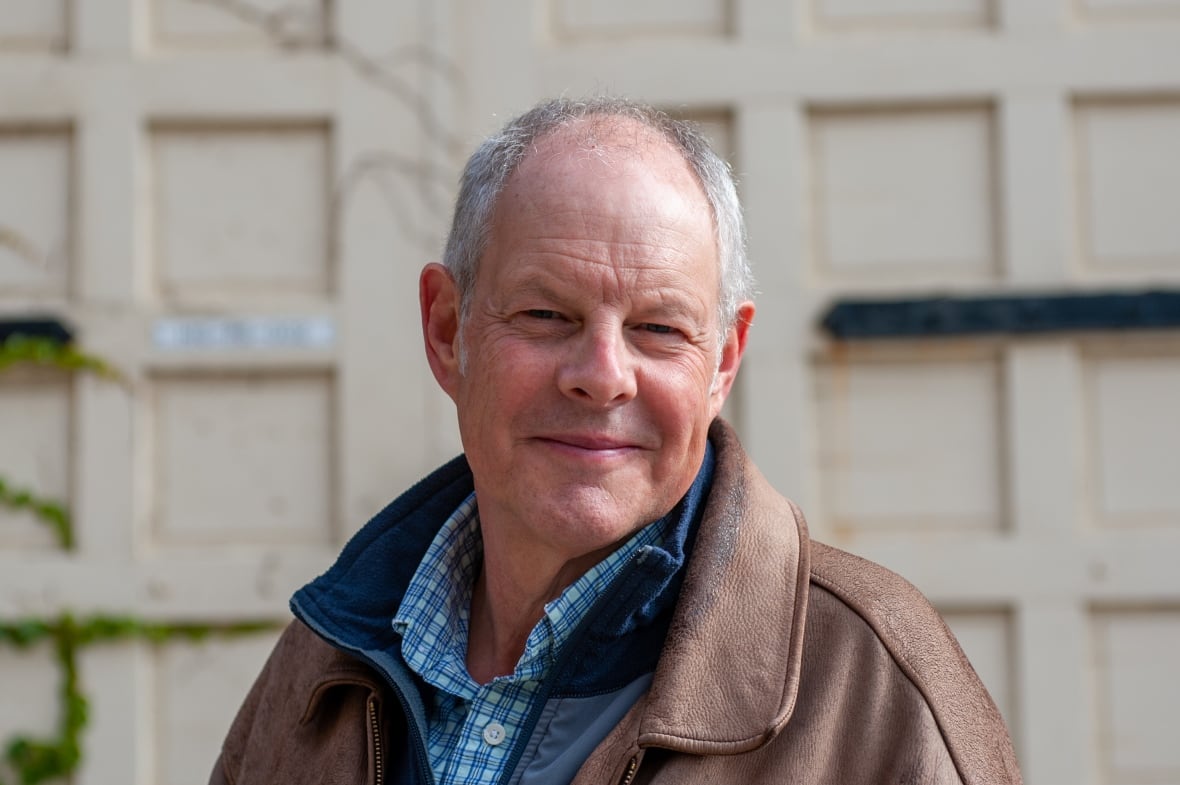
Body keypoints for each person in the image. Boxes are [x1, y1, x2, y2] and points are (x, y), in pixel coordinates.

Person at [210, 97, 1022, 785]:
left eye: (659, 328)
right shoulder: (324, 657)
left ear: (723, 362)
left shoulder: (878, 682)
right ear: (447, 328)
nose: (603, 376)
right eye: (545, 315)